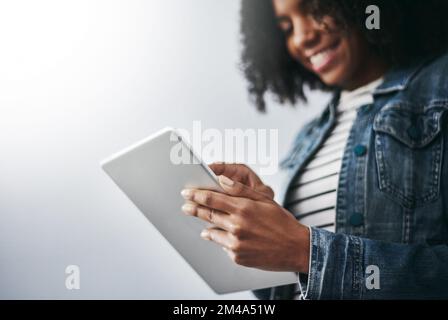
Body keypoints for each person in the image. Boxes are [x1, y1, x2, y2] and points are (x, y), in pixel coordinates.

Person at [180, 0, 448, 299]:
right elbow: (291, 287)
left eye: (316, 9)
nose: (301, 37)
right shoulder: (307, 139)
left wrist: (305, 250)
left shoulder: (441, 86)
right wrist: (261, 229)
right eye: (286, 28)